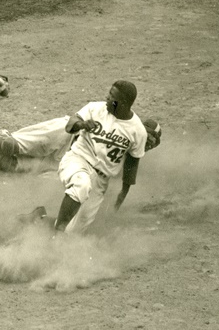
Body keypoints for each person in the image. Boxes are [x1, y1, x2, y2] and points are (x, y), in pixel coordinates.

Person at [49, 81, 149, 234]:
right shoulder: (95, 108)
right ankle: (55, 234)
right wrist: (81, 125)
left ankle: (40, 218)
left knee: (74, 232)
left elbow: (132, 164)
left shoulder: (138, 131)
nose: (107, 98)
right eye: (109, 94)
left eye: (112, 97)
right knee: (81, 184)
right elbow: (70, 125)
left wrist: (123, 193)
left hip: (101, 180)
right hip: (78, 160)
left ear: (122, 103)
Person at [0, 116, 162, 174]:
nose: (148, 144)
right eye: (148, 138)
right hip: (63, 134)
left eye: (153, 143)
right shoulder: (122, 127)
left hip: (64, 160)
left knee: (10, 165)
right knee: (11, 144)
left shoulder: (132, 154)